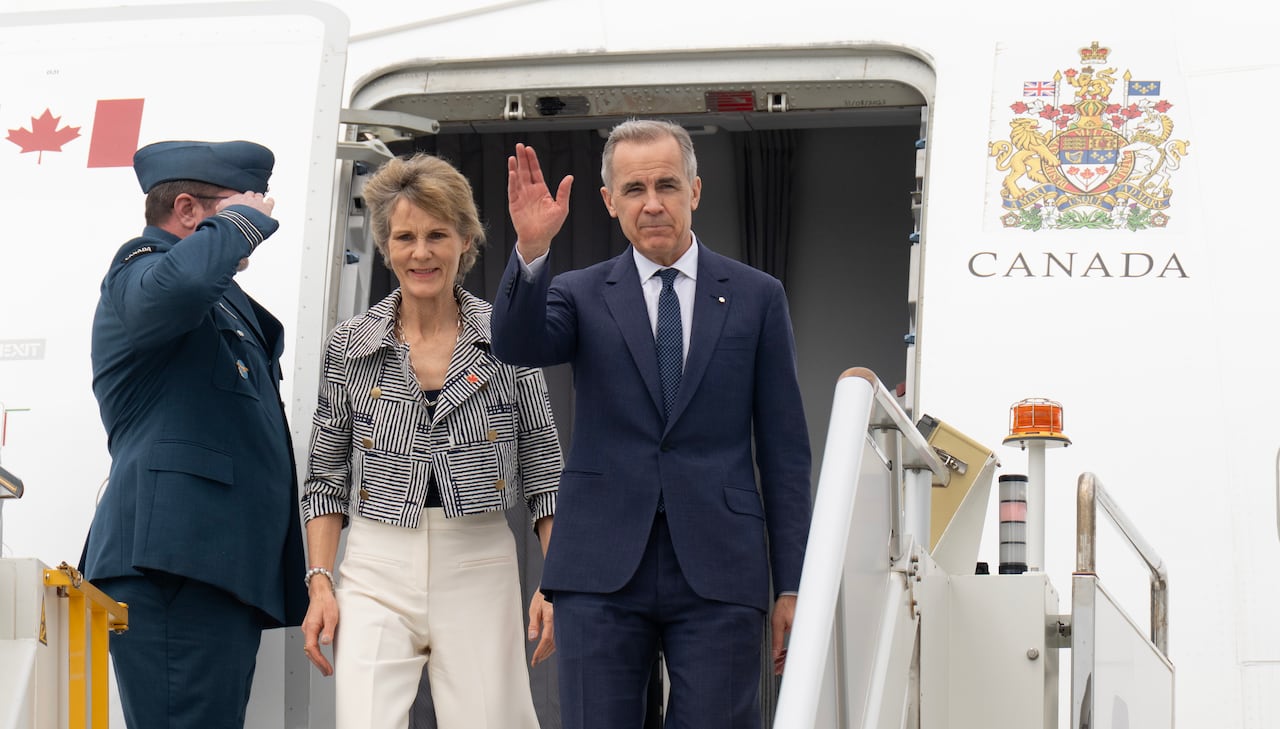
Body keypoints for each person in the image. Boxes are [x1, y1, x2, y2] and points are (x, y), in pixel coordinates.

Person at [493, 119, 813, 729]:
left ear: (695, 189)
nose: (653, 202)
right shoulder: (578, 292)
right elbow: (516, 344)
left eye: (667, 184)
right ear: (610, 203)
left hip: (721, 570)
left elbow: (785, 452)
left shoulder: (757, 296)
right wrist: (531, 250)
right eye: (634, 189)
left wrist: (792, 583)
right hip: (599, 571)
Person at [299, 153, 562, 729]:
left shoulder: (509, 338)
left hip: (480, 560)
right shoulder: (349, 346)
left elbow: (546, 472)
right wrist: (320, 582)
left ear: (466, 241)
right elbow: (325, 479)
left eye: (438, 235)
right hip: (374, 566)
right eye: (406, 237)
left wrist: (557, 579)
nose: (422, 252)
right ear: (387, 247)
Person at [82, 139, 306, 729]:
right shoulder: (140, 270)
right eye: (243, 208)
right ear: (187, 211)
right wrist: (241, 225)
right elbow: (175, 289)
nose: (260, 223)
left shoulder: (221, 303)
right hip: (173, 568)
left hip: (214, 568)